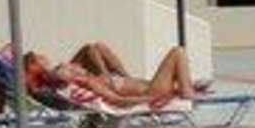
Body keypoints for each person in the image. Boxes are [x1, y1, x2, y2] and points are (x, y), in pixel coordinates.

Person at [23, 43, 201, 107]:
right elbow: (118, 100)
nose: (77, 67)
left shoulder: (90, 79)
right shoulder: (88, 82)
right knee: (177, 52)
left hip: (148, 86)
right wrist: (148, 99)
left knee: (97, 47)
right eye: (38, 58)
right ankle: (187, 92)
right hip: (152, 91)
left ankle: (186, 88)